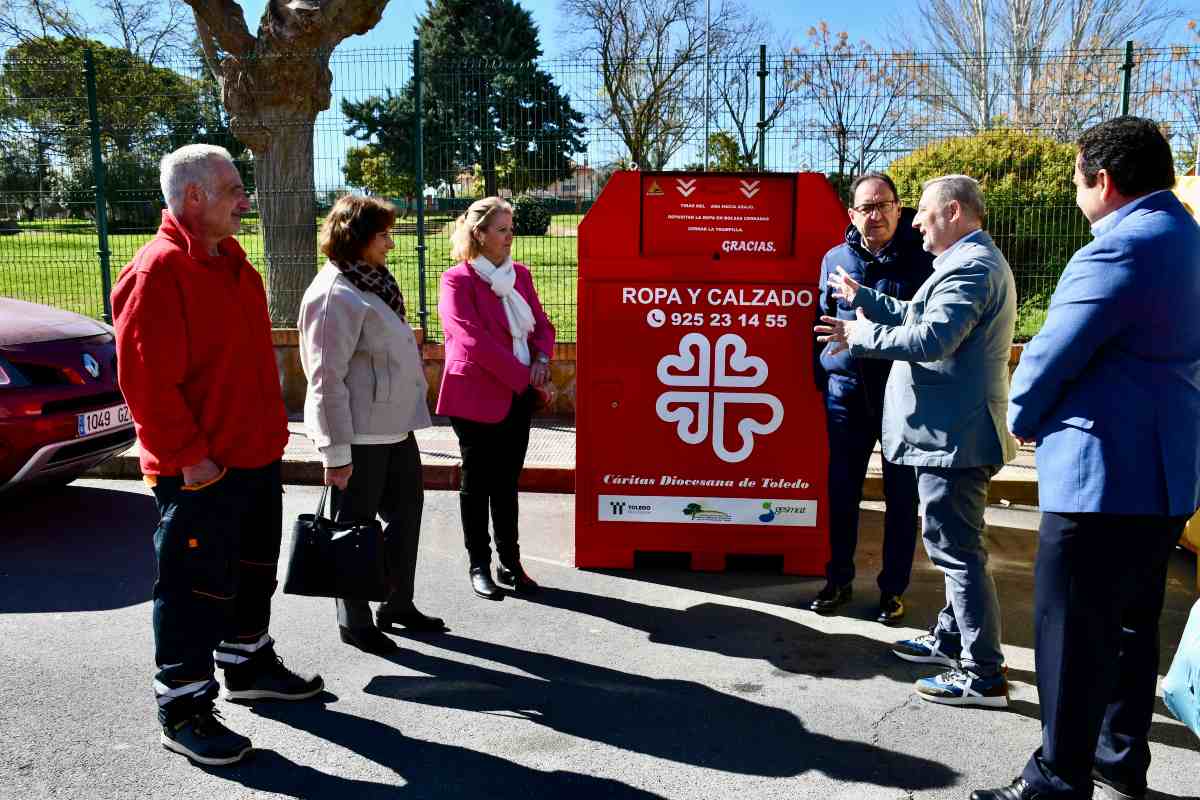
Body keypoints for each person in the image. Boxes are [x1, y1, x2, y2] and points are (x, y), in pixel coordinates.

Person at [974, 118, 1200, 800]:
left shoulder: (1116, 251)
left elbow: (1047, 359)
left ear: (1103, 182)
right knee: (1131, 626)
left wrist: (1024, 419)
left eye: (1077, 184)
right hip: (1166, 477)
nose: (1077, 198)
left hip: (1100, 479)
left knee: (1070, 632)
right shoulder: (1188, 240)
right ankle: (1117, 757)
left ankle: (1056, 780)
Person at [112, 144, 322, 767]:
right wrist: (188, 457)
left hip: (255, 456)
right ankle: (182, 708)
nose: (245, 199)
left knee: (252, 570)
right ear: (194, 196)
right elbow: (146, 381)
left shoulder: (234, 264)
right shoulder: (157, 271)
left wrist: (273, 438)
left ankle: (248, 662)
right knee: (192, 589)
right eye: (233, 188)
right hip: (200, 470)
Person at [815, 174, 1016, 709]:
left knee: (958, 553)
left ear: (952, 212)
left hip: (955, 434)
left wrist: (859, 333)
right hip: (948, 430)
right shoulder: (962, 262)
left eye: (923, 212)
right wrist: (868, 302)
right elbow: (914, 314)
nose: (917, 222)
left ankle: (983, 675)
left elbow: (932, 338)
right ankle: (950, 639)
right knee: (953, 544)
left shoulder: (971, 267)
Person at [297, 195, 445, 656]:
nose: (391, 244)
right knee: (353, 529)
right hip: (358, 436)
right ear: (356, 236)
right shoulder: (332, 294)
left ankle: (397, 603)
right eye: (384, 235)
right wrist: (335, 453)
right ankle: (354, 620)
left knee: (405, 518)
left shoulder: (373, 282)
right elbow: (324, 379)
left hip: (396, 428)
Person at [810, 172, 931, 624]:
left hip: (903, 395)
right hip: (846, 394)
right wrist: (823, 377)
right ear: (852, 214)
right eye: (866, 207)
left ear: (900, 209)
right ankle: (838, 580)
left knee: (903, 496)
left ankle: (892, 589)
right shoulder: (833, 259)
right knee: (842, 490)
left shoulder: (924, 259)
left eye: (883, 205)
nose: (875, 215)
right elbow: (818, 321)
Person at [436, 196, 555, 600]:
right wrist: (524, 377)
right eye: (502, 229)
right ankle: (478, 564)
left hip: (517, 393)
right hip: (476, 396)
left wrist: (541, 357)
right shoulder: (457, 280)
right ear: (479, 234)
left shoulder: (520, 274)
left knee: (506, 483)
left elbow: (541, 325)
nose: (510, 236)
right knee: (478, 482)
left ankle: (510, 561)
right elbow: (471, 340)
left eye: (511, 228)